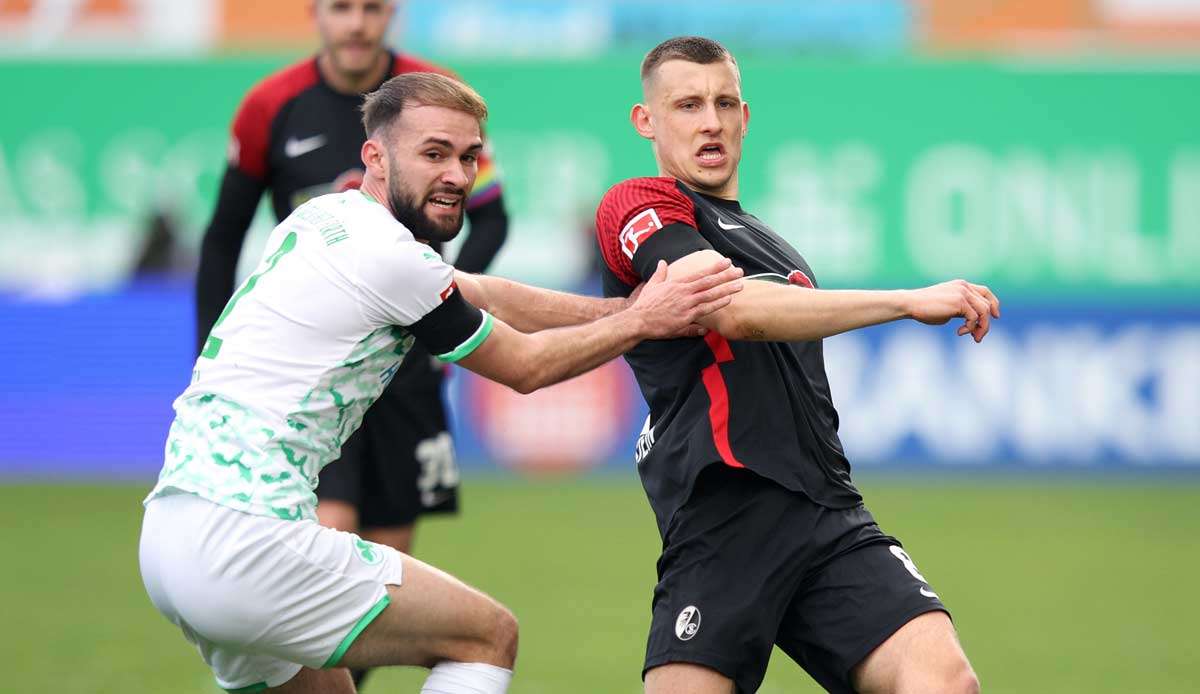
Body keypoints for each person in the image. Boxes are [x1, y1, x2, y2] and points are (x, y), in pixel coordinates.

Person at [140, 72, 743, 694]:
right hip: (248, 538)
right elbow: (526, 367)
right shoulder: (390, 258)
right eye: (433, 154)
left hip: (171, 535)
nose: (456, 174)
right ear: (374, 156)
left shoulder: (324, 219)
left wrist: (624, 310)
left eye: (468, 156)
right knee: (484, 637)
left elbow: (486, 292)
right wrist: (647, 321)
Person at [594, 36, 999, 694]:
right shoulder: (640, 203)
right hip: (725, 514)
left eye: (725, 103)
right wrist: (903, 300)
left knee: (945, 681)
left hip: (827, 511)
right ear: (647, 121)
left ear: (745, 117)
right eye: (688, 104)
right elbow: (729, 310)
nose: (710, 121)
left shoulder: (771, 242)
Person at [194, 9, 506, 679]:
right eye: (342, 6)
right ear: (316, 13)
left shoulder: (435, 95)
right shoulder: (269, 106)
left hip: (406, 366)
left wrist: (436, 310)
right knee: (327, 544)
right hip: (316, 366)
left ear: (391, 12)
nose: (357, 23)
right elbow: (222, 238)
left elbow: (493, 216)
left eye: (372, 7)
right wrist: (210, 356)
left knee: (388, 549)